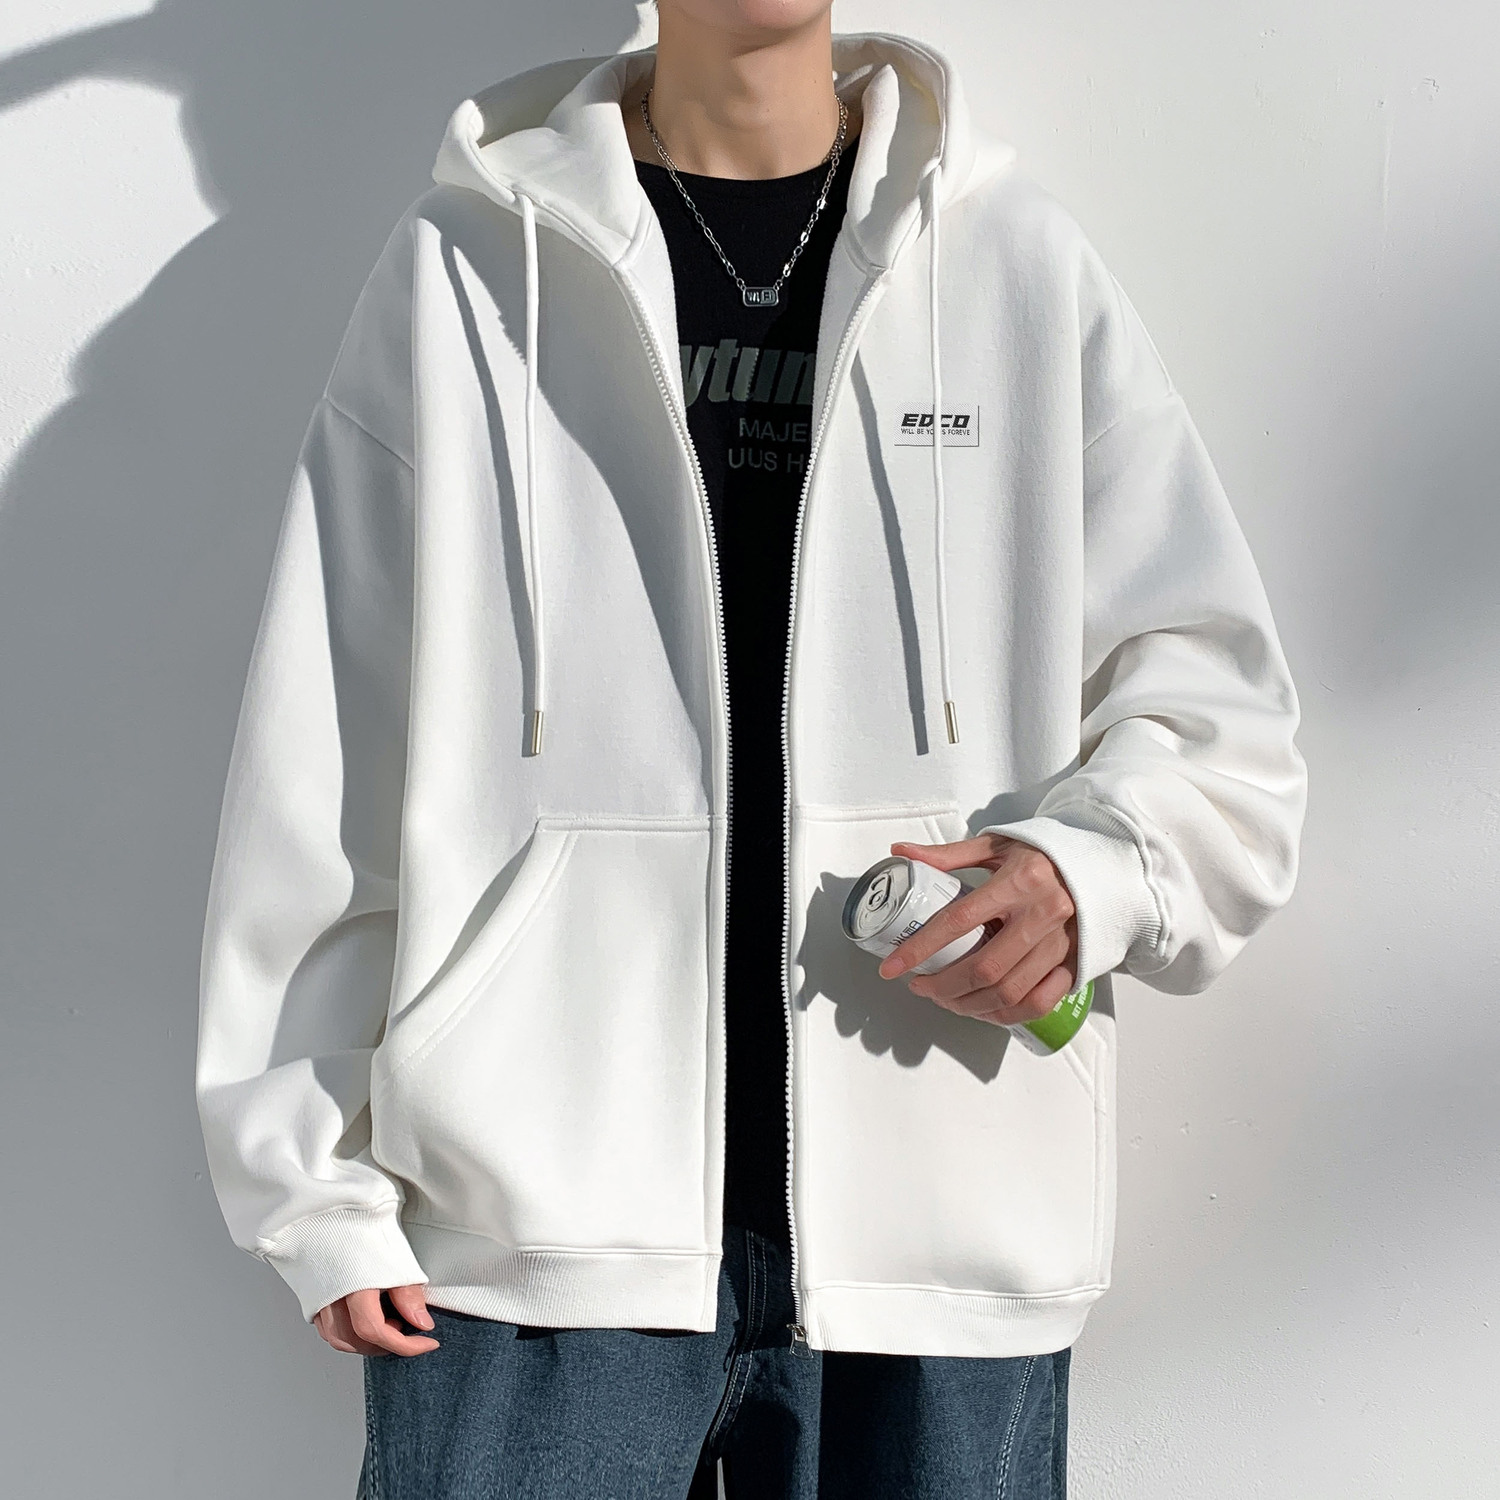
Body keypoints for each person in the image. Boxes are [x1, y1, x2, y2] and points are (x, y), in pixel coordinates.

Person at [195, 2, 1307, 1495]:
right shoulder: (463, 271)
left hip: (940, 1222)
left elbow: (1226, 723)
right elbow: (330, 731)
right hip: (529, 1237)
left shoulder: (1012, 266)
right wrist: (312, 1183)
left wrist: (1086, 878)